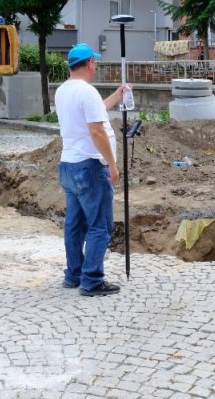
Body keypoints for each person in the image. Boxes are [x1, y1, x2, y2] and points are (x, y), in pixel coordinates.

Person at [55, 42, 131, 296]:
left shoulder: (64, 91)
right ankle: (92, 280)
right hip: (89, 166)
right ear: (88, 63)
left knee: (74, 225)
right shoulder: (87, 92)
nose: (95, 66)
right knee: (99, 225)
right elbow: (96, 130)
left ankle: (74, 274)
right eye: (94, 62)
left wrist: (117, 95)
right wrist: (111, 163)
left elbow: (94, 111)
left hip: (69, 165)